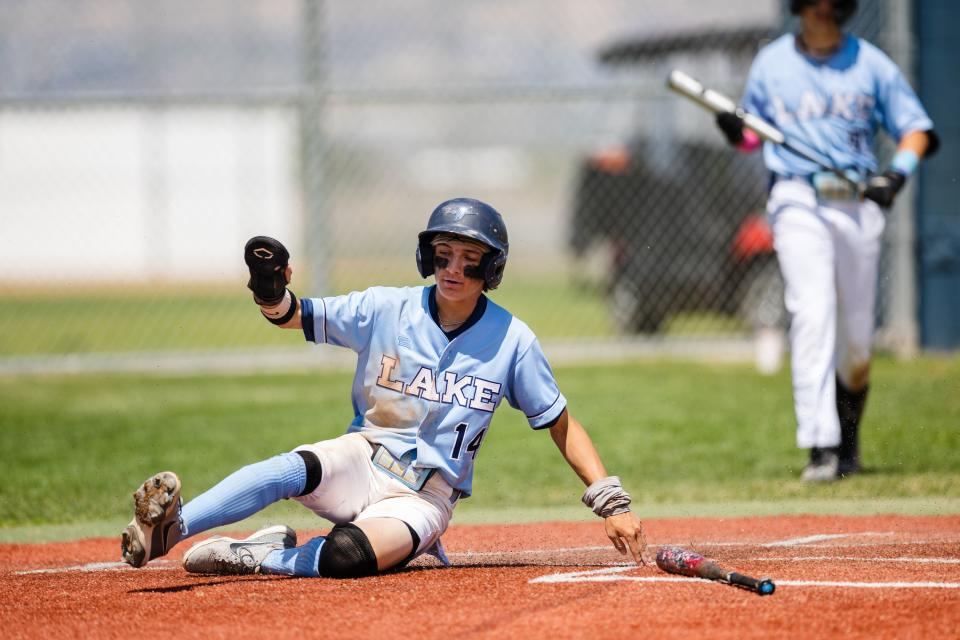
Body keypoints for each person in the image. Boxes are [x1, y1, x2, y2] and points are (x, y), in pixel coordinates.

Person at [120, 197, 651, 577]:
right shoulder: (385, 307)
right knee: (294, 467)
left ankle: (258, 556)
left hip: (426, 497)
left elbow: (559, 422)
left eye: (470, 260)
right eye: (443, 255)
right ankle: (173, 527)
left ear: (492, 269)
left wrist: (612, 501)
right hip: (363, 455)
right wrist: (270, 291)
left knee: (346, 558)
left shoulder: (512, 340)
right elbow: (294, 316)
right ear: (427, 258)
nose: (453, 269)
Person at [714, 0, 939, 481]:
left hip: (856, 200)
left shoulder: (870, 62)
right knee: (811, 311)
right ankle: (819, 446)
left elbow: (917, 130)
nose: (824, 10)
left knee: (857, 337)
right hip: (797, 198)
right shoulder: (772, 61)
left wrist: (896, 177)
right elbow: (754, 135)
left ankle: (847, 446)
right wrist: (737, 133)